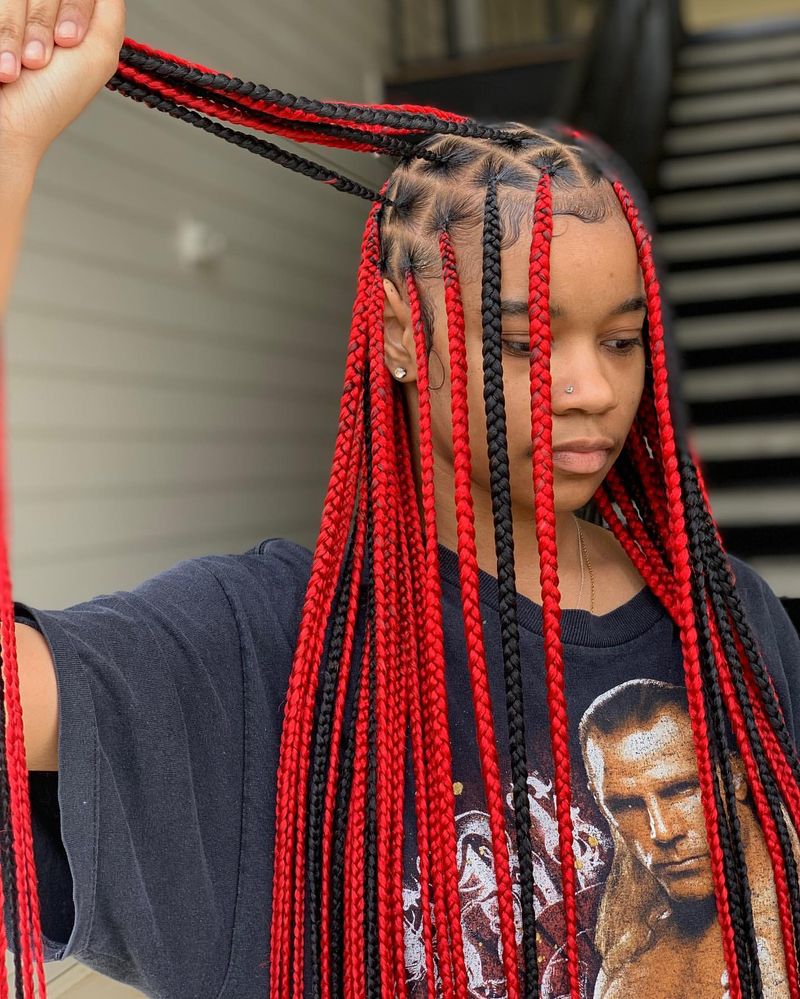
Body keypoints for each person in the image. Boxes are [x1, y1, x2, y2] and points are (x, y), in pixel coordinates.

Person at [1, 3, 800, 998]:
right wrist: (12, 149)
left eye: (621, 339)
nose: (591, 388)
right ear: (396, 335)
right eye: (521, 340)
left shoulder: (732, 622)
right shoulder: (267, 649)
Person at [580, 678, 796, 998]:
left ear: (734, 774)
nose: (663, 831)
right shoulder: (628, 966)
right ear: (600, 804)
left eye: (681, 789)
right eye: (626, 805)